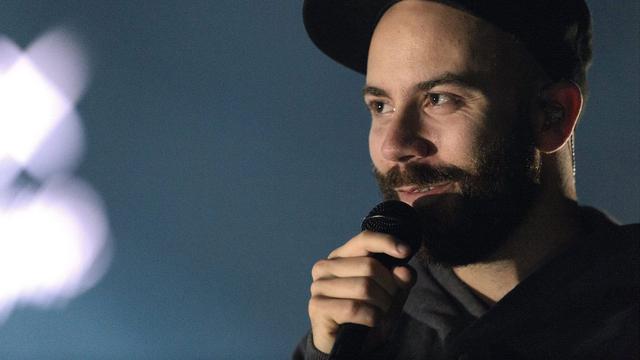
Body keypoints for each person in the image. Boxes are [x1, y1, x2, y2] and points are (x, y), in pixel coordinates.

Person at [293, 0, 639, 359]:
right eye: (381, 106)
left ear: (553, 115)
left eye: (438, 99)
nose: (394, 145)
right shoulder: (362, 332)